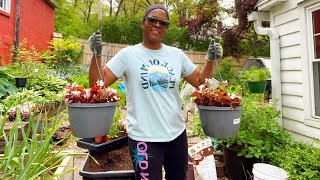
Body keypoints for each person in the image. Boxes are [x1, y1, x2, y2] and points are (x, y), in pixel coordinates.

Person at [88, 4, 223, 180]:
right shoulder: (128, 55)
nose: (157, 25)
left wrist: (210, 60)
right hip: (143, 138)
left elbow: (199, 82)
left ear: (166, 28)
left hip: (176, 135)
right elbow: (98, 83)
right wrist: (96, 54)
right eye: (153, 20)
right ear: (143, 23)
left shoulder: (176, 55)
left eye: (163, 23)